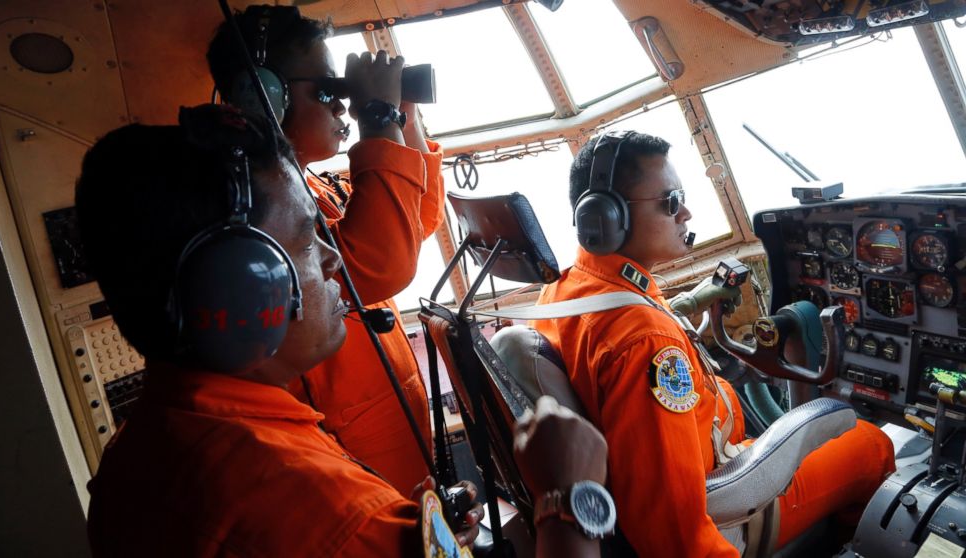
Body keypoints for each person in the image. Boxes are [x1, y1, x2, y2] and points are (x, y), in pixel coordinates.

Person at [80, 105, 609, 557]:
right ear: (240, 288)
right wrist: (568, 499)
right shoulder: (334, 518)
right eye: (308, 241)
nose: (334, 260)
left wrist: (409, 533)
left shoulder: (140, 447)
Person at [533, 130, 896, 556]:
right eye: (670, 201)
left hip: (700, 462)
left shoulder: (566, 290)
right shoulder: (646, 341)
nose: (684, 211)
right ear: (607, 219)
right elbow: (675, 536)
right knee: (873, 443)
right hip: (728, 505)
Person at [206, 5, 444, 493]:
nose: (342, 107)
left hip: (391, 428)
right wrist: (375, 116)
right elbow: (380, 265)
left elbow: (416, 223)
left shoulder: (317, 187)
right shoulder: (254, 204)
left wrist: (402, 115)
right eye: (328, 91)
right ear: (265, 97)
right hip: (347, 447)